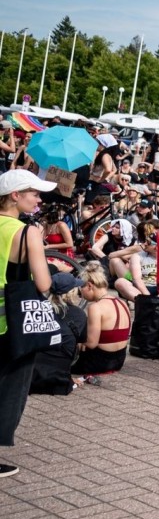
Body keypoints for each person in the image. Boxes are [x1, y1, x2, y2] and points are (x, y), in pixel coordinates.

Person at [0, 169, 57, 479]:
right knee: (8, 385)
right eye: (33, 192)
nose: (39, 198)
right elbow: (44, 282)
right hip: (9, 323)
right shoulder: (27, 232)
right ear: (14, 195)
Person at [74, 262, 129, 381]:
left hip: (99, 363)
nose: (81, 294)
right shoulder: (122, 303)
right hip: (119, 360)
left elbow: (91, 344)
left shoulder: (95, 307)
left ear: (89, 286)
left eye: (80, 289)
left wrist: (77, 341)